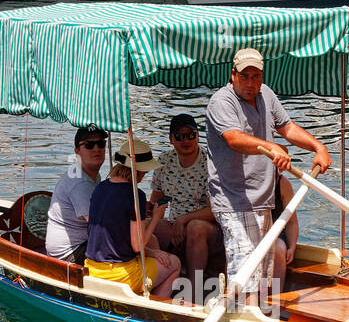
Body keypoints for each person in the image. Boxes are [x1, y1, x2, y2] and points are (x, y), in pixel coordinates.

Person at [205, 47, 331, 307]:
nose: (250, 83)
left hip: (263, 199)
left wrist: (318, 147)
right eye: (244, 76)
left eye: (256, 76)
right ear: (233, 75)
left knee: (262, 269)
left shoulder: (267, 95)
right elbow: (234, 138)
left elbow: (288, 128)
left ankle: (256, 315)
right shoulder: (222, 102)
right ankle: (244, 318)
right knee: (246, 273)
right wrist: (272, 147)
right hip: (235, 200)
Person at [84, 138, 181, 298]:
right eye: (145, 171)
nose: (145, 174)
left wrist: (153, 252)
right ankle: (153, 305)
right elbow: (138, 246)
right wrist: (156, 217)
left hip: (92, 268)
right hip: (120, 275)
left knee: (153, 242)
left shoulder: (100, 187)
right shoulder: (136, 195)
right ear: (138, 171)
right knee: (174, 263)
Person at [149, 113, 225, 302]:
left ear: (197, 136)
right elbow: (157, 200)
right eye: (180, 136)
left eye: (191, 135)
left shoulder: (211, 163)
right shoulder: (164, 161)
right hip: (175, 225)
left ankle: (193, 290)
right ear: (171, 139)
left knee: (195, 227)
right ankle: (153, 278)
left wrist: (183, 220)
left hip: (210, 229)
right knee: (150, 225)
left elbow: (215, 210)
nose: (186, 140)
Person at [45, 123, 107, 263]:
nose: (97, 149)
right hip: (69, 253)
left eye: (101, 144)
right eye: (89, 145)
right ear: (77, 151)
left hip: (79, 243)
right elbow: (99, 226)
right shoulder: (80, 182)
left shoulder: (90, 174)